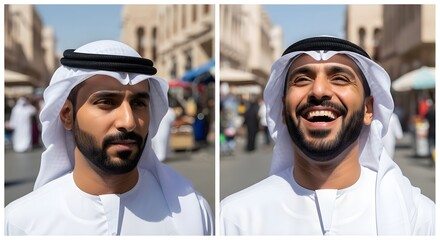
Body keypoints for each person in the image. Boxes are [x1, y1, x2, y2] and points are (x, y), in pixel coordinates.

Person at [220, 36, 435, 235]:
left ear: (369, 110)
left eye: (340, 78)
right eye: (302, 79)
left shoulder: (419, 219)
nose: (319, 91)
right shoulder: (235, 218)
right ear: (283, 110)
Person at [5, 40, 213, 235]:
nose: (128, 121)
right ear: (67, 114)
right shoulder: (21, 224)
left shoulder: (192, 215)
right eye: (106, 102)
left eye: (139, 103)